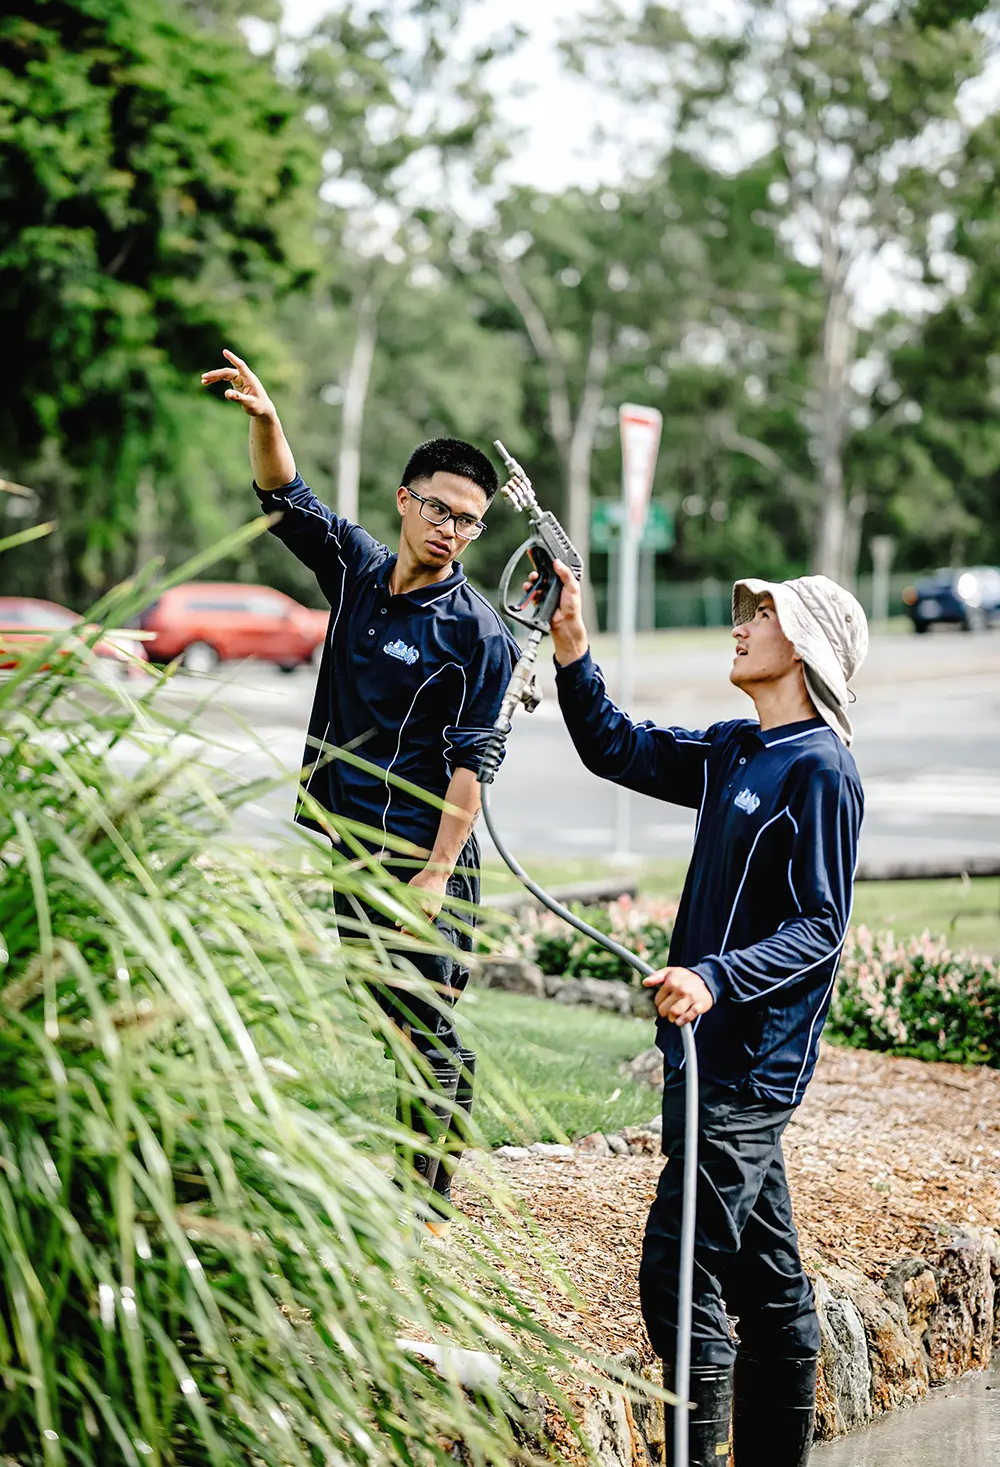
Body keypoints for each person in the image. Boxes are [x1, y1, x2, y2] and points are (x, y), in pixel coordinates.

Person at [541, 558, 866, 1467]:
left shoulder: (822, 771)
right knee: (768, 1288)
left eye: (761, 616)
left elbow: (820, 928)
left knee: (678, 1281)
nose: (742, 624)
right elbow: (618, 745)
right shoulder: (736, 747)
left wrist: (716, 976)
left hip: (748, 1072)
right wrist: (573, 650)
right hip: (700, 1058)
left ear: (802, 647)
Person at [200, 348, 518, 1226]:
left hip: (424, 859)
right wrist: (268, 424)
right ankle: (415, 1177)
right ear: (406, 501)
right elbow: (286, 501)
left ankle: (423, 1201)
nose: (453, 529)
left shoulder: (479, 636)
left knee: (427, 1028)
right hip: (352, 848)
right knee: (387, 1012)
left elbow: (473, 763)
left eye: (471, 521)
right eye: (441, 509)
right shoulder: (355, 570)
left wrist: (434, 874)